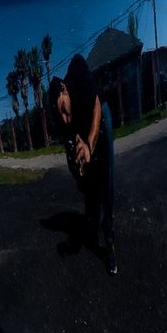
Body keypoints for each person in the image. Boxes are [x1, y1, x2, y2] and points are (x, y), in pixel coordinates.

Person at [46, 54, 116, 275]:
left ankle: (110, 236)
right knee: (89, 184)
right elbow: (71, 159)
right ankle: (92, 223)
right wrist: (80, 171)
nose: (65, 119)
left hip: (100, 117)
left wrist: (88, 145)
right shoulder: (61, 120)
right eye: (60, 116)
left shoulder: (77, 69)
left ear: (65, 90)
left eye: (64, 110)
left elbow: (95, 105)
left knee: (107, 174)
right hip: (82, 135)